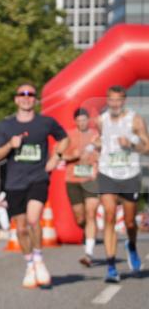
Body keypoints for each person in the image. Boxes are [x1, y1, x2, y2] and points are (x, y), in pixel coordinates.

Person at [0, 83, 69, 288]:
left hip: (38, 178)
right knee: (21, 227)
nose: (26, 97)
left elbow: (64, 139)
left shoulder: (45, 122)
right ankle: (29, 264)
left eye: (30, 94)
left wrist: (56, 157)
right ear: (16, 99)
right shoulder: (6, 126)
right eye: (22, 94)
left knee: (34, 219)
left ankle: (39, 259)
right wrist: (10, 145)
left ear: (35, 99)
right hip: (14, 182)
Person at [94, 85, 148, 282]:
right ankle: (111, 267)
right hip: (107, 172)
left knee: (129, 222)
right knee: (109, 215)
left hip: (130, 174)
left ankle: (131, 245)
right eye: (111, 100)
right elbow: (101, 142)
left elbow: (147, 147)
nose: (115, 104)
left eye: (118, 100)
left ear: (124, 100)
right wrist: (97, 146)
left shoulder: (135, 119)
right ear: (107, 101)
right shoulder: (101, 120)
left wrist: (131, 144)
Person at [63, 107, 101, 267]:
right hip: (73, 180)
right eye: (79, 120)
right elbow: (60, 155)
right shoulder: (68, 136)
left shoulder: (96, 135)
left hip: (91, 179)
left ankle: (88, 253)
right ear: (75, 121)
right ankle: (87, 232)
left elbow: (104, 153)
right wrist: (73, 155)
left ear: (88, 120)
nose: (82, 123)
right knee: (80, 218)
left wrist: (97, 168)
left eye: (84, 120)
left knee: (91, 213)